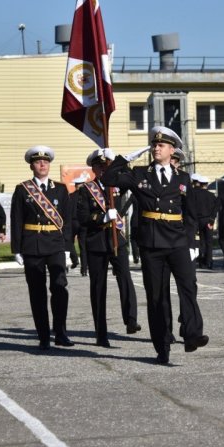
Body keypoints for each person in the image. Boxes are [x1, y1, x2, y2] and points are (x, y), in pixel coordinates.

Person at [102, 126, 208, 365]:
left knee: (188, 287)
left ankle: (192, 334)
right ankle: (162, 347)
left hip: (178, 241)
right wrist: (125, 158)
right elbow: (108, 178)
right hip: (152, 244)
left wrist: (193, 242)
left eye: (161, 145)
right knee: (157, 297)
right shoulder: (140, 173)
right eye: (154, 144)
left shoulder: (182, 178)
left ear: (172, 150)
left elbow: (191, 214)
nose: (156, 148)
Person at [10, 146, 74, 350]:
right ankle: (43, 335)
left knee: (59, 287)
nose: (42, 164)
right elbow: (16, 219)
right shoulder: (23, 189)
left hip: (55, 243)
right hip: (32, 245)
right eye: (38, 162)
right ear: (32, 166)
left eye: (45, 162)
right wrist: (16, 249)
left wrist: (67, 248)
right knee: (37, 292)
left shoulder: (61, 189)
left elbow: (68, 220)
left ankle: (61, 332)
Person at [77, 148, 141, 346]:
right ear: (94, 169)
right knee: (98, 288)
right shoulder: (86, 190)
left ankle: (131, 320)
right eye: (100, 166)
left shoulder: (120, 186)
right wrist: (101, 218)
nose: (104, 170)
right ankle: (101, 333)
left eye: (108, 166)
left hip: (118, 240)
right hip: (97, 241)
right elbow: (82, 218)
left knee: (125, 278)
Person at [191, 174, 218, 270]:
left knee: (201, 241)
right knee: (209, 242)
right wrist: (212, 219)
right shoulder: (211, 195)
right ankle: (209, 261)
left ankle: (201, 261)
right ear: (207, 184)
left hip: (198, 220)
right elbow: (216, 208)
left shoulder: (195, 195)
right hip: (208, 220)